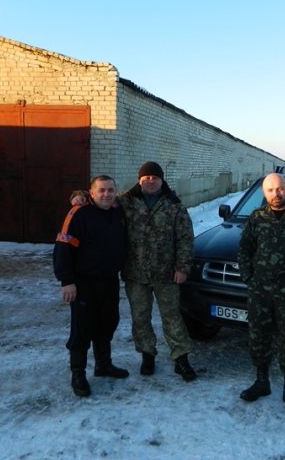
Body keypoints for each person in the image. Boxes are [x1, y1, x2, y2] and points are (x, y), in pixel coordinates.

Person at [71, 161, 197, 381]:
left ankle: (181, 359)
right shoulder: (125, 201)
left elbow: (185, 238)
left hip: (166, 273)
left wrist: (182, 267)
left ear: (161, 180)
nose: (150, 181)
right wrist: (78, 195)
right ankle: (147, 356)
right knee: (140, 317)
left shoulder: (174, 205)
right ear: (140, 180)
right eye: (146, 178)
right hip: (135, 273)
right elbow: (100, 194)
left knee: (172, 317)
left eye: (154, 178)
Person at [237, 172, 285, 414]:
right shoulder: (257, 217)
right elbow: (245, 249)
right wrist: (249, 277)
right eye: (270, 190)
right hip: (260, 291)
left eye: (280, 189)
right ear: (264, 193)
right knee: (258, 336)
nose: (276, 194)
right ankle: (262, 381)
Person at [53, 175, 130, 397]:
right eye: (102, 190)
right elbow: (63, 248)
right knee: (82, 329)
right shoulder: (78, 214)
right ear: (92, 193)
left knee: (107, 323)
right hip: (83, 282)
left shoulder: (117, 212)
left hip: (109, 280)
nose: (106, 194)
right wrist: (67, 281)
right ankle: (78, 373)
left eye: (110, 190)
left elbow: (139, 189)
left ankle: (103, 365)